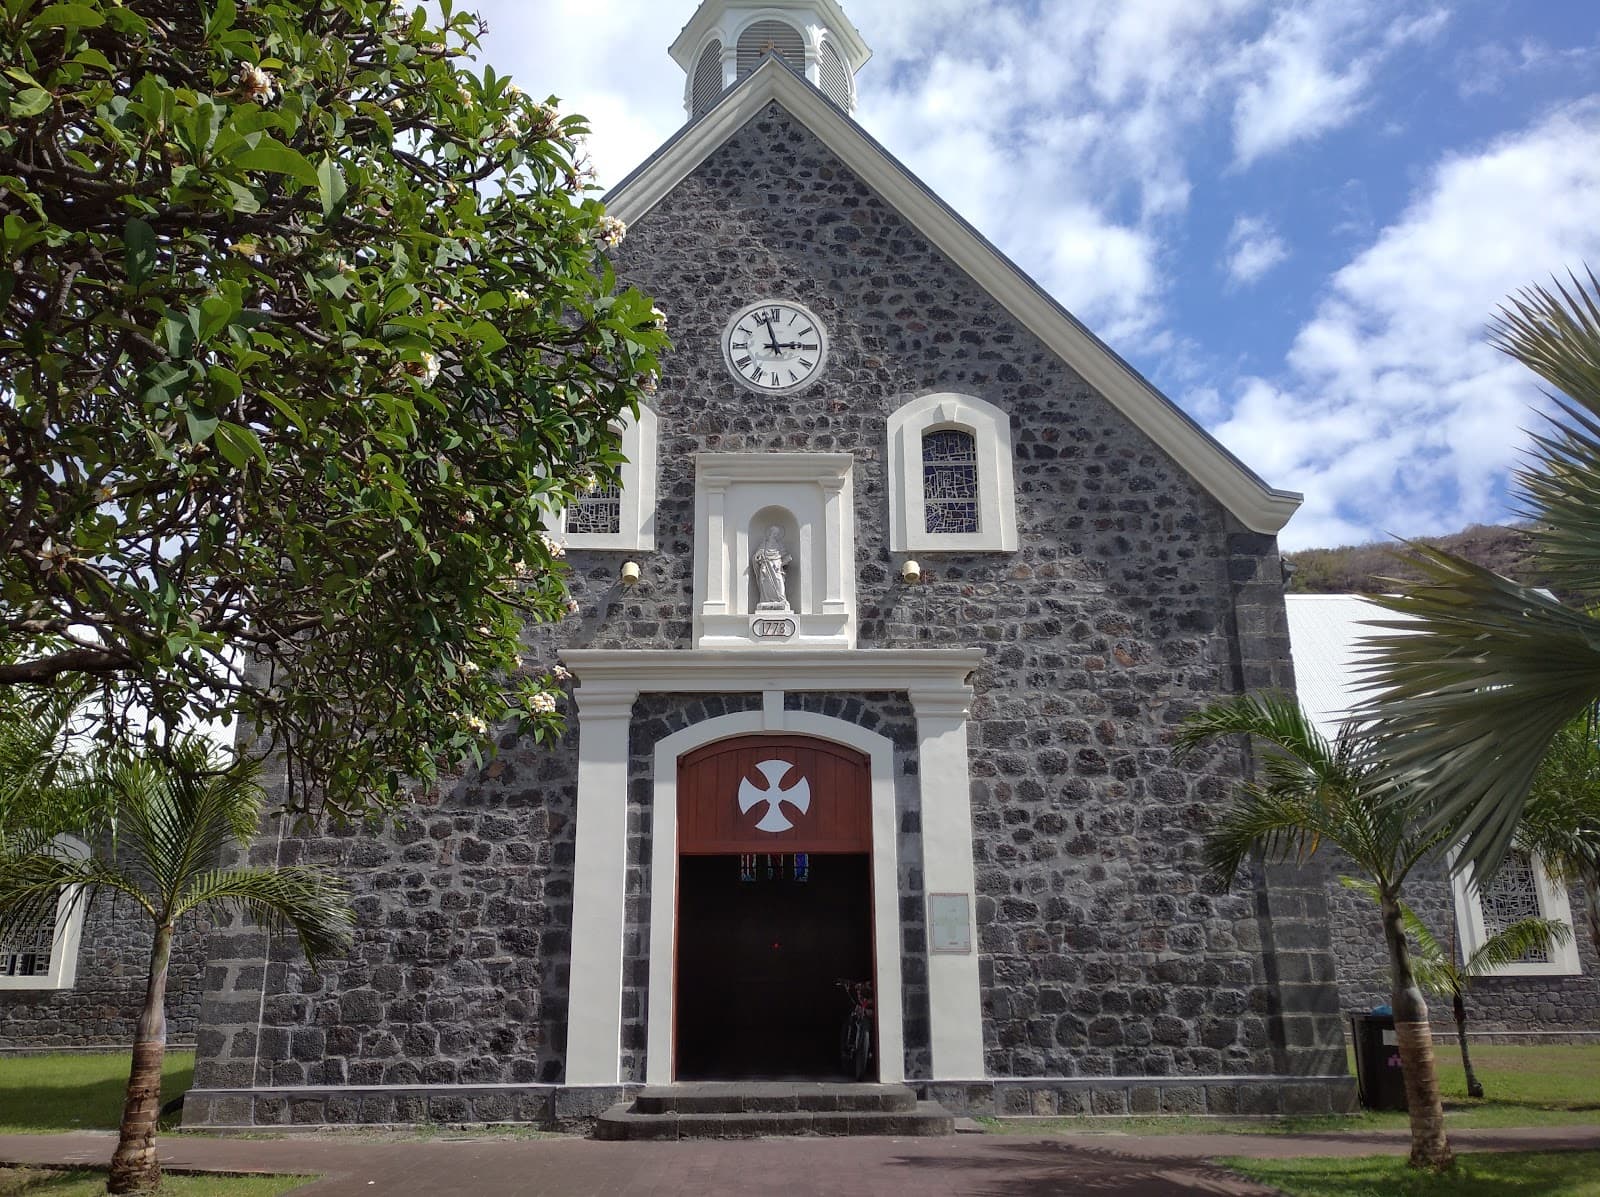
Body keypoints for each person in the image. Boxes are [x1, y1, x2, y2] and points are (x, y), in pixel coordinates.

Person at [752, 525, 792, 611]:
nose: (775, 535)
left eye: (777, 534)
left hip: (776, 567)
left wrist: (783, 562)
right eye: (774, 533)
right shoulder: (764, 544)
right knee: (766, 584)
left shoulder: (779, 545)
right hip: (766, 567)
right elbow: (757, 556)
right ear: (770, 533)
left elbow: (785, 556)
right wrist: (759, 556)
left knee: (779, 582)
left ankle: (781, 599)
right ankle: (766, 600)